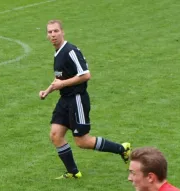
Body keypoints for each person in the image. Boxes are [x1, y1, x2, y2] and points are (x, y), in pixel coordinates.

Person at [39, 19, 131, 179]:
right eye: (50, 32)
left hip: (77, 100)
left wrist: (62, 84)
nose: (53, 35)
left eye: (55, 31)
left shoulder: (71, 51)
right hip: (65, 100)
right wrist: (47, 91)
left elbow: (85, 75)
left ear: (62, 32)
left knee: (82, 141)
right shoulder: (58, 53)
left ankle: (122, 149)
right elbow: (59, 79)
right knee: (55, 135)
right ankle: (73, 172)